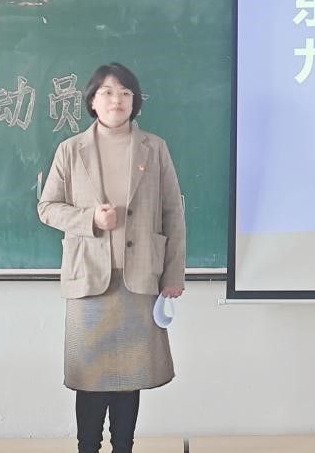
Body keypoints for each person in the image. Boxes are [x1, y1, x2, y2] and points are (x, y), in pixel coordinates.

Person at [38, 62, 186, 453]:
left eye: (124, 92)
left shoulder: (155, 148)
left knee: (128, 376)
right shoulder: (71, 150)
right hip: (89, 280)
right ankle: (87, 446)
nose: (116, 100)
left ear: (134, 101)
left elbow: (173, 212)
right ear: (92, 101)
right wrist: (90, 219)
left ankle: (124, 447)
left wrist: (173, 274)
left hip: (139, 278)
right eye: (107, 92)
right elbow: (47, 207)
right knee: (90, 378)